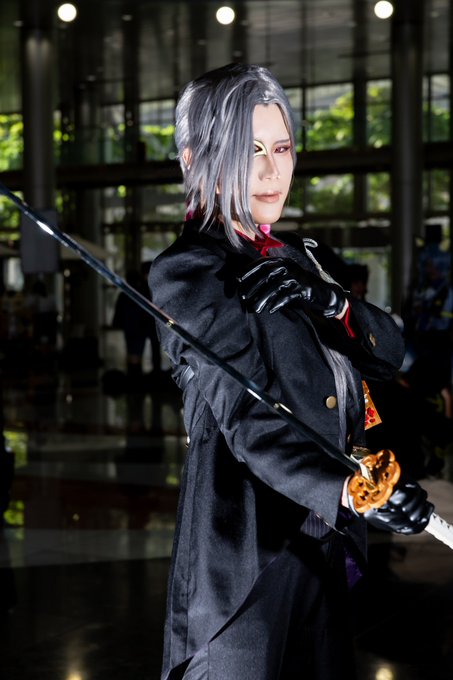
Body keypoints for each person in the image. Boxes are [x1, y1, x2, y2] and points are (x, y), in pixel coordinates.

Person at [149, 63, 434, 680]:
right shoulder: (191, 270)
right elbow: (249, 420)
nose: (271, 171)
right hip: (244, 557)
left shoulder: (303, 256)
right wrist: (353, 491)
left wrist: (331, 302)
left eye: (281, 149)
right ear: (196, 160)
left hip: (321, 547)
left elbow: (387, 354)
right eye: (248, 151)